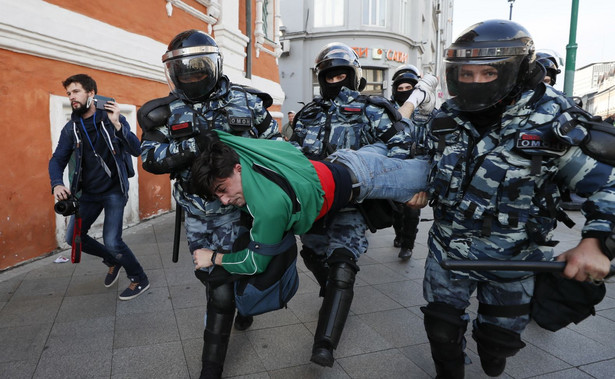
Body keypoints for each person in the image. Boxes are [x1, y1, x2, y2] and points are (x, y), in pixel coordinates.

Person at [419, 20, 615, 378]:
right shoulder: (446, 116)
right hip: (448, 251)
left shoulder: (554, 120)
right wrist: (415, 184)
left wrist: (597, 242)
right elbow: (417, 157)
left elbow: (609, 184)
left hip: (514, 258)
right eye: (466, 73)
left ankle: (494, 351)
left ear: (517, 71)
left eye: (488, 72)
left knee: (499, 343)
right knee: (441, 329)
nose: (474, 82)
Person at [137, 30, 280, 379]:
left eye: (198, 69)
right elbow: (149, 158)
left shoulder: (248, 103)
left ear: (213, 66)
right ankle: (239, 302)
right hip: (198, 214)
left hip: (241, 210)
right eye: (184, 70)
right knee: (209, 276)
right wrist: (191, 147)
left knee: (221, 289)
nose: (191, 76)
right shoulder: (165, 112)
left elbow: (277, 147)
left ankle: (210, 368)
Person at [289, 42, 434, 367]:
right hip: (313, 199)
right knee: (312, 253)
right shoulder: (308, 114)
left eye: (342, 74)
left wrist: (399, 185)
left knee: (344, 261)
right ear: (321, 77)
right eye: (330, 75)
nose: (336, 80)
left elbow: (400, 147)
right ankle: (329, 288)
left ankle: (324, 344)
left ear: (354, 76)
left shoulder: (373, 109)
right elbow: (292, 153)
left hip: (354, 202)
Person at [189, 130, 429, 273]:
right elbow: (215, 137)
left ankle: (423, 104)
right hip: (344, 159)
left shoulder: (268, 207)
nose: (224, 200)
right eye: (216, 196)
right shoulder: (243, 150)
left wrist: (212, 257)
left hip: (366, 177)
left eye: (222, 189)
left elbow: (254, 263)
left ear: (238, 169)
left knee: (438, 175)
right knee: (390, 137)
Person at [49, 74, 149, 300]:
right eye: (68, 94)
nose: (71, 97)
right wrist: (57, 183)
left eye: (75, 92)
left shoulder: (110, 117)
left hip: (114, 190)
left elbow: (136, 149)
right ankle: (113, 260)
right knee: (74, 237)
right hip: (87, 194)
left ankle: (139, 278)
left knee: (113, 241)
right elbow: (57, 159)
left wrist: (117, 124)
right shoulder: (70, 128)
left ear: (91, 93)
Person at [389, 64, 434, 260]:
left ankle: (408, 244)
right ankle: (399, 234)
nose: (405, 92)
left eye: (409, 89)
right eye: (401, 89)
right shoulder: (388, 111)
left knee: (412, 210)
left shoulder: (428, 111)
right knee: (396, 208)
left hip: (418, 165)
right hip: (396, 165)